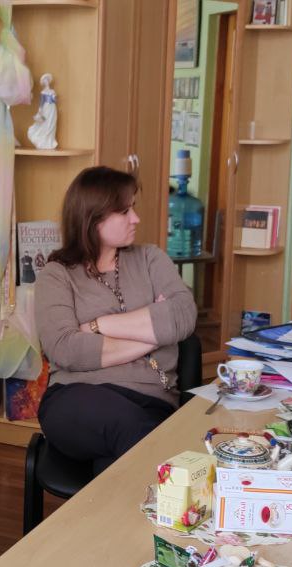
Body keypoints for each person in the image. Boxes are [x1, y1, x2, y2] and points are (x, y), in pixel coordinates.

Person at [34, 166, 197, 474]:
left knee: (114, 463)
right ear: (93, 218)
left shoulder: (150, 258)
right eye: (124, 211)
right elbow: (65, 349)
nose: (136, 218)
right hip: (75, 398)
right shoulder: (56, 275)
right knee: (132, 430)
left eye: (133, 207)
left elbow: (183, 315)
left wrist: (99, 326)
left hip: (151, 400)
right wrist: (154, 333)